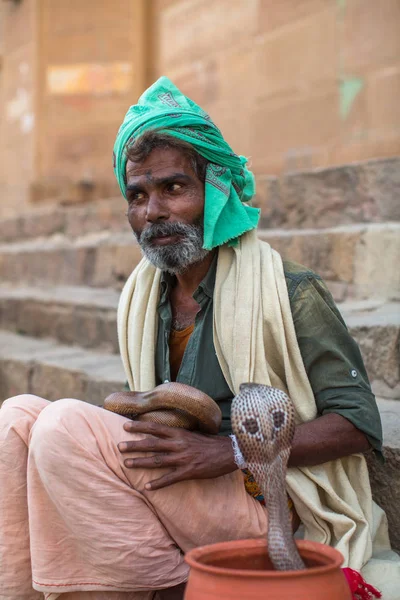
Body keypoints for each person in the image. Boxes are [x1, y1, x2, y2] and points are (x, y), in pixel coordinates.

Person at [0, 77, 398, 600]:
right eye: (137, 196)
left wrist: (229, 452)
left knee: (63, 425)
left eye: (173, 188)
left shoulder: (291, 291)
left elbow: (357, 423)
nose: (153, 213)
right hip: (181, 490)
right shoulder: (142, 300)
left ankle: (164, 588)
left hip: (265, 500)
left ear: (214, 191)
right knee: (15, 418)